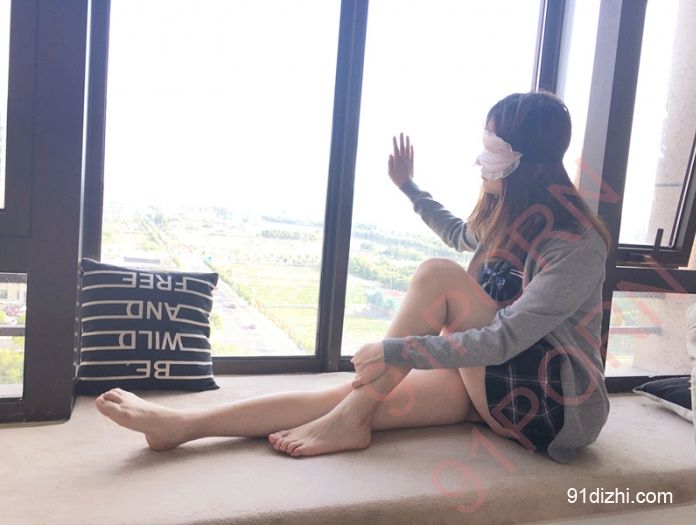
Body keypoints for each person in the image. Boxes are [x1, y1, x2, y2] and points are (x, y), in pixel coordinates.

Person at [95, 91, 612, 464]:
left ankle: (350, 420)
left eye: (492, 146)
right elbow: (459, 233)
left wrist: (398, 351)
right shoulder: (509, 221)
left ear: (524, 162)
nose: (480, 160)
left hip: (550, 408)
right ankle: (184, 427)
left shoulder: (574, 244)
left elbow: (503, 340)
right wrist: (409, 188)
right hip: (490, 388)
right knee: (352, 398)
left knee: (438, 276)